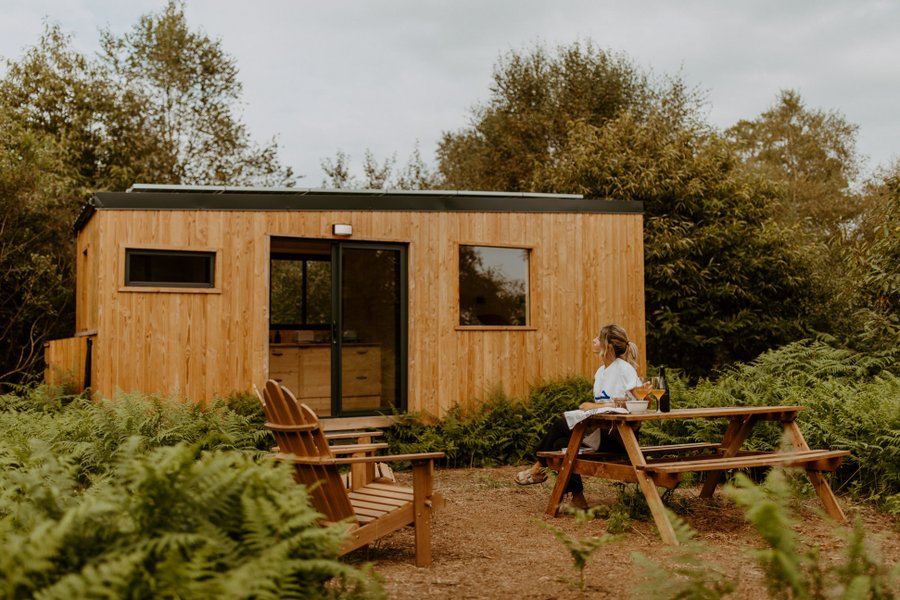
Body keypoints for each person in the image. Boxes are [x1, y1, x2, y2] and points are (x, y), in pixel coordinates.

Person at [514, 323, 644, 510]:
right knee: (560, 444)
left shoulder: (624, 369)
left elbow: (635, 404)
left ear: (607, 346)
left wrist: (595, 406)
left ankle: (536, 469)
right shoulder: (600, 372)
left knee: (561, 423)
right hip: (600, 433)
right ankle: (578, 497)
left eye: (598, 338)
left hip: (620, 438)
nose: (593, 340)